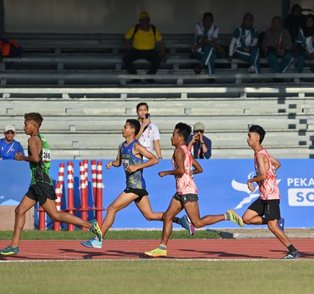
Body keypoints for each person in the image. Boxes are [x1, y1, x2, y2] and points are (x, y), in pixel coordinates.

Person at [0, 113, 103, 256]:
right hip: (38, 182)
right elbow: (43, 159)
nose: (24, 127)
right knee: (19, 211)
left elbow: (36, 159)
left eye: (26, 124)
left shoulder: (32, 140)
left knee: (56, 216)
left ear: (34, 126)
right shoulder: (43, 140)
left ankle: (91, 225)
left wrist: (21, 157)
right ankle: (14, 246)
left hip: (41, 183)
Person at [81, 119, 194, 249]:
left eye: (125, 127)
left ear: (132, 131)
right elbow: (119, 162)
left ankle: (98, 239)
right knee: (150, 216)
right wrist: (113, 163)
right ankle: (181, 221)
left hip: (136, 187)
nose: (123, 129)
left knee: (112, 208)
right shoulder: (122, 146)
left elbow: (154, 159)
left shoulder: (136, 146)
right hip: (134, 187)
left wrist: (136, 167)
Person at [144, 122, 244, 258]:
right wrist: (188, 173)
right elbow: (199, 169)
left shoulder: (179, 151)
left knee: (197, 222)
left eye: (173, 134)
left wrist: (166, 173)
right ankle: (162, 248)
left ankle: (227, 215)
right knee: (167, 216)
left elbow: (180, 170)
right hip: (181, 191)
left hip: (187, 191)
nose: (171, 137)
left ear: (180, 137)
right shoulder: (186, 150)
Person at [241, 125, 299, 259]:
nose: (247, 139)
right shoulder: (260, 152)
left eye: (249, 136)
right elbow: (277, 164)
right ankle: (275, 221)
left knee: (272, 227)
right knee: (246, 218)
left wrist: (250, 181)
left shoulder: (260, 155)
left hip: (270, 196)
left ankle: (293, 250)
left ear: (257, 138)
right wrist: (272, 173)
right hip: (264, 196)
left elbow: (262, 176)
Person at [123, 11, 166, 82]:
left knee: (157, 59)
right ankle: (135, 78)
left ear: (149, 21)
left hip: (150, 52)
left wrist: (163, 53)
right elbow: (126, 38)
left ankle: (149, 78)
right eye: (143, 20)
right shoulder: (135, 28)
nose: (145, 22)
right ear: (140, 21)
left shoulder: (154, 29)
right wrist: (128, 48)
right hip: (136, 51)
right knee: (126, 59)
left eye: (147, 20)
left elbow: (161, 42)